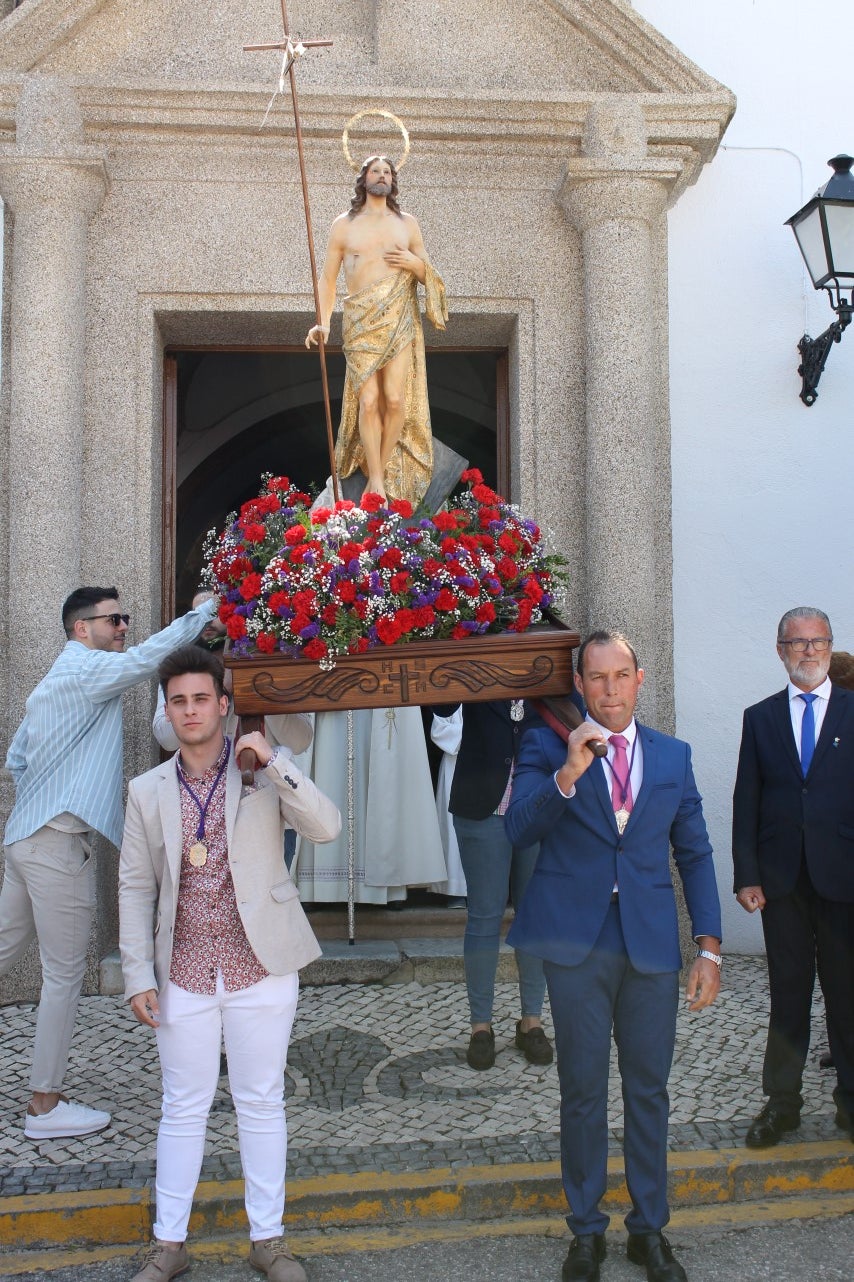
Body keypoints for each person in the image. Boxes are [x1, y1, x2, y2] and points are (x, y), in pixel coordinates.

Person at [119, 646, 340, 1282]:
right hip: (183, 969)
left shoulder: (261, 767)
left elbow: (324, 826)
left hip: (261, 964)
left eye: (200, 699)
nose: (190, 712)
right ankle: (169, 1245)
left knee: (261, 1101)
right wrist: (137, 974)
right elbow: (134, 887)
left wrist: (273, 763)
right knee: (182, 1107)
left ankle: (267, 1240)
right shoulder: (146, 791)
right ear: (169, 713)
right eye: (178, 702)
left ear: (223, 703)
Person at [506, 632, 722, 1282]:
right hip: (577, 945)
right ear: (580, 684)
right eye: (596, 678)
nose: (609, 689)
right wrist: (568, 774)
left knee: (649, 1091)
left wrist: (709, 947)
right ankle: (586, 1232)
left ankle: (649, 1231)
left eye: (620, 675)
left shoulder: (673, 757)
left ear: (639, 678)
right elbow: (519, 829)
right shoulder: (546, 746)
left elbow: (696, 852)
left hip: (652, 944)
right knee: (582, 1092)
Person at [1, 586, 219, 1140]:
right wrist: (201, 613)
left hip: (26, 838)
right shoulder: (87, 668)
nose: (124, 626)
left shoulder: (57, 679)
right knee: (64, 976)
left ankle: (45, 1101)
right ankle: (44, 1107)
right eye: (114, 619)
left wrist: (43, 797)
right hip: (55, 843)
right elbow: (148, 659)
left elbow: (17, 759)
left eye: (125, 618)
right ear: (82, 628)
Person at [733, 607, 854, 1148]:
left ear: (830, 647)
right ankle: (782, 1103)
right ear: (780, 650)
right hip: (781, 880)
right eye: (797, 643)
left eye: (818, 641)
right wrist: (746, 874)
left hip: (844, 878)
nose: (808, 651)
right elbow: (746, 802)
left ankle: (850, 1102)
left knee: (847, 993)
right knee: (787, 993)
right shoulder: (759, 718)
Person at [305, 154, 447, 506]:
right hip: (360, 321)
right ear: (364, 178)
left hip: (398, 317)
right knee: (368, 401)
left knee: (395, 399)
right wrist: (323, 320)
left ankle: (378, 475)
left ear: (393, 181)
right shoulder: (344, 225)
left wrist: (415, 265)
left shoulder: (407, 224)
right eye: (375, 171)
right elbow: (328, 278)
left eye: (387, 172)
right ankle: (378, 483)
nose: (381, 176)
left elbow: (428, 272)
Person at [432, 699, 553, 1072]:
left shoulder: (547, 676)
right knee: (484, 917)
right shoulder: (477, 660)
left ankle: (531, 1020)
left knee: (534, 918)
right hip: (483, 807)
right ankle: (480, 1026)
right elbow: (442, 703)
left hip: (538, 808)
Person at [293, 706, 447, 904]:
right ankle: (320, 887)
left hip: (379, 700)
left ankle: (385, 886)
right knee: (327, 767)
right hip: (327, 698)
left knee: (383, 773)